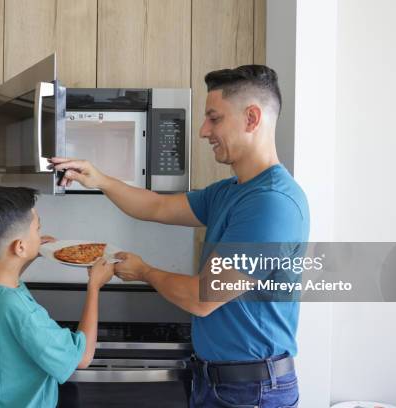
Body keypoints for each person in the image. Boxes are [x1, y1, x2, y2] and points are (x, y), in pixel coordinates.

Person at [51, 65, 309, 407]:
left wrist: (144, 272)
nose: (203, 131)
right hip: (220, 382)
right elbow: (156, 206)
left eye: (214, 118)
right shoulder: (231, 192)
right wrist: (98, 178)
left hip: (250, 392)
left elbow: (203, 298)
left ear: (251, 118)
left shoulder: (271, 204)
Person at [0, 186, 114, 408]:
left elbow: (7, 268)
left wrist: (31, 253)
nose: (40, 235)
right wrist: (95, 286)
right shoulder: (23, 313)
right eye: (37, 229)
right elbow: (82, 358)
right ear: (19, 246)